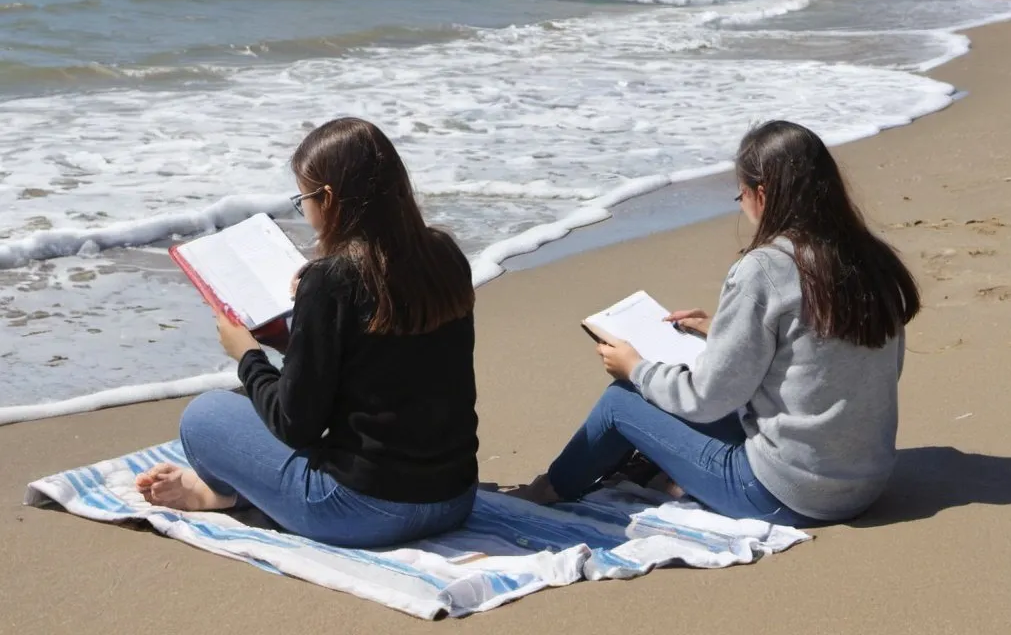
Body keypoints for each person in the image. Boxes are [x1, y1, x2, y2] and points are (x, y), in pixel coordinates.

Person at [515, 120, 919, 526]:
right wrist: (723, 332)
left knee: (622, 401)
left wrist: (635, 368)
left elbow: (707, 398)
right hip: (866, 481)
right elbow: (851, 363)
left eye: (740, 194)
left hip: (788, 494)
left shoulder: (765, 268)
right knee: (701, 393)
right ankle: (658, 473)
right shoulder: (870, 257)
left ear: (761, 194)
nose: (742, 204)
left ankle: (547, 491)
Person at [136, 118, 479, 547]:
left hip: (362, 510)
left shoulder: (332, 280)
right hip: (453, 498)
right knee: (253, 406)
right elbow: (385, 368)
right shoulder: (443, 256)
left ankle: (221, 493)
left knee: (203, 417)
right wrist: (291, 338)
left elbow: (295, 425)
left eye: (305, 199)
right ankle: (228, 491)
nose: (307, 211)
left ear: (328, 199)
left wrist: (247, 355)